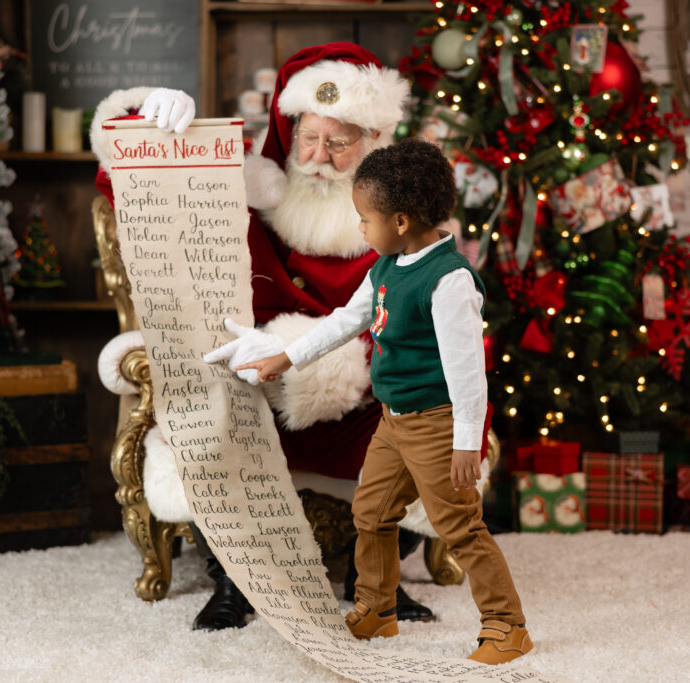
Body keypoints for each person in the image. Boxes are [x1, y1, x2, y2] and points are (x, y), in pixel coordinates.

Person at [91, 43, 441, 630]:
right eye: (308, 137)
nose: (319, 157)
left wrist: (322, 362)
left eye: (340, 142)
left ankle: (375, 580)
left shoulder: (406, 224)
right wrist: (142, 115)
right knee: (209, 414)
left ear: (373, 145)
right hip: (251, 390)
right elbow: (129, 184)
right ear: (289, 127)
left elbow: (426, 323)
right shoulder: (249, 195)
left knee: (423, 419)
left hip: (360, 394)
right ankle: (234, 582)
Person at [229, 139, 532, 665]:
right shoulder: (386, 265)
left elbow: (468, 372)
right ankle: (376, 608)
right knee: (370, 512)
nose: (361, 229)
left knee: (459, 525)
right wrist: (286, 357)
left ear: (399, 220)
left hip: (438, 424)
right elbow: (347, 320)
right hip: (393, 422)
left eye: (364, 219)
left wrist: (468, 442)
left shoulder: (448, 281)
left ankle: (508, 626)